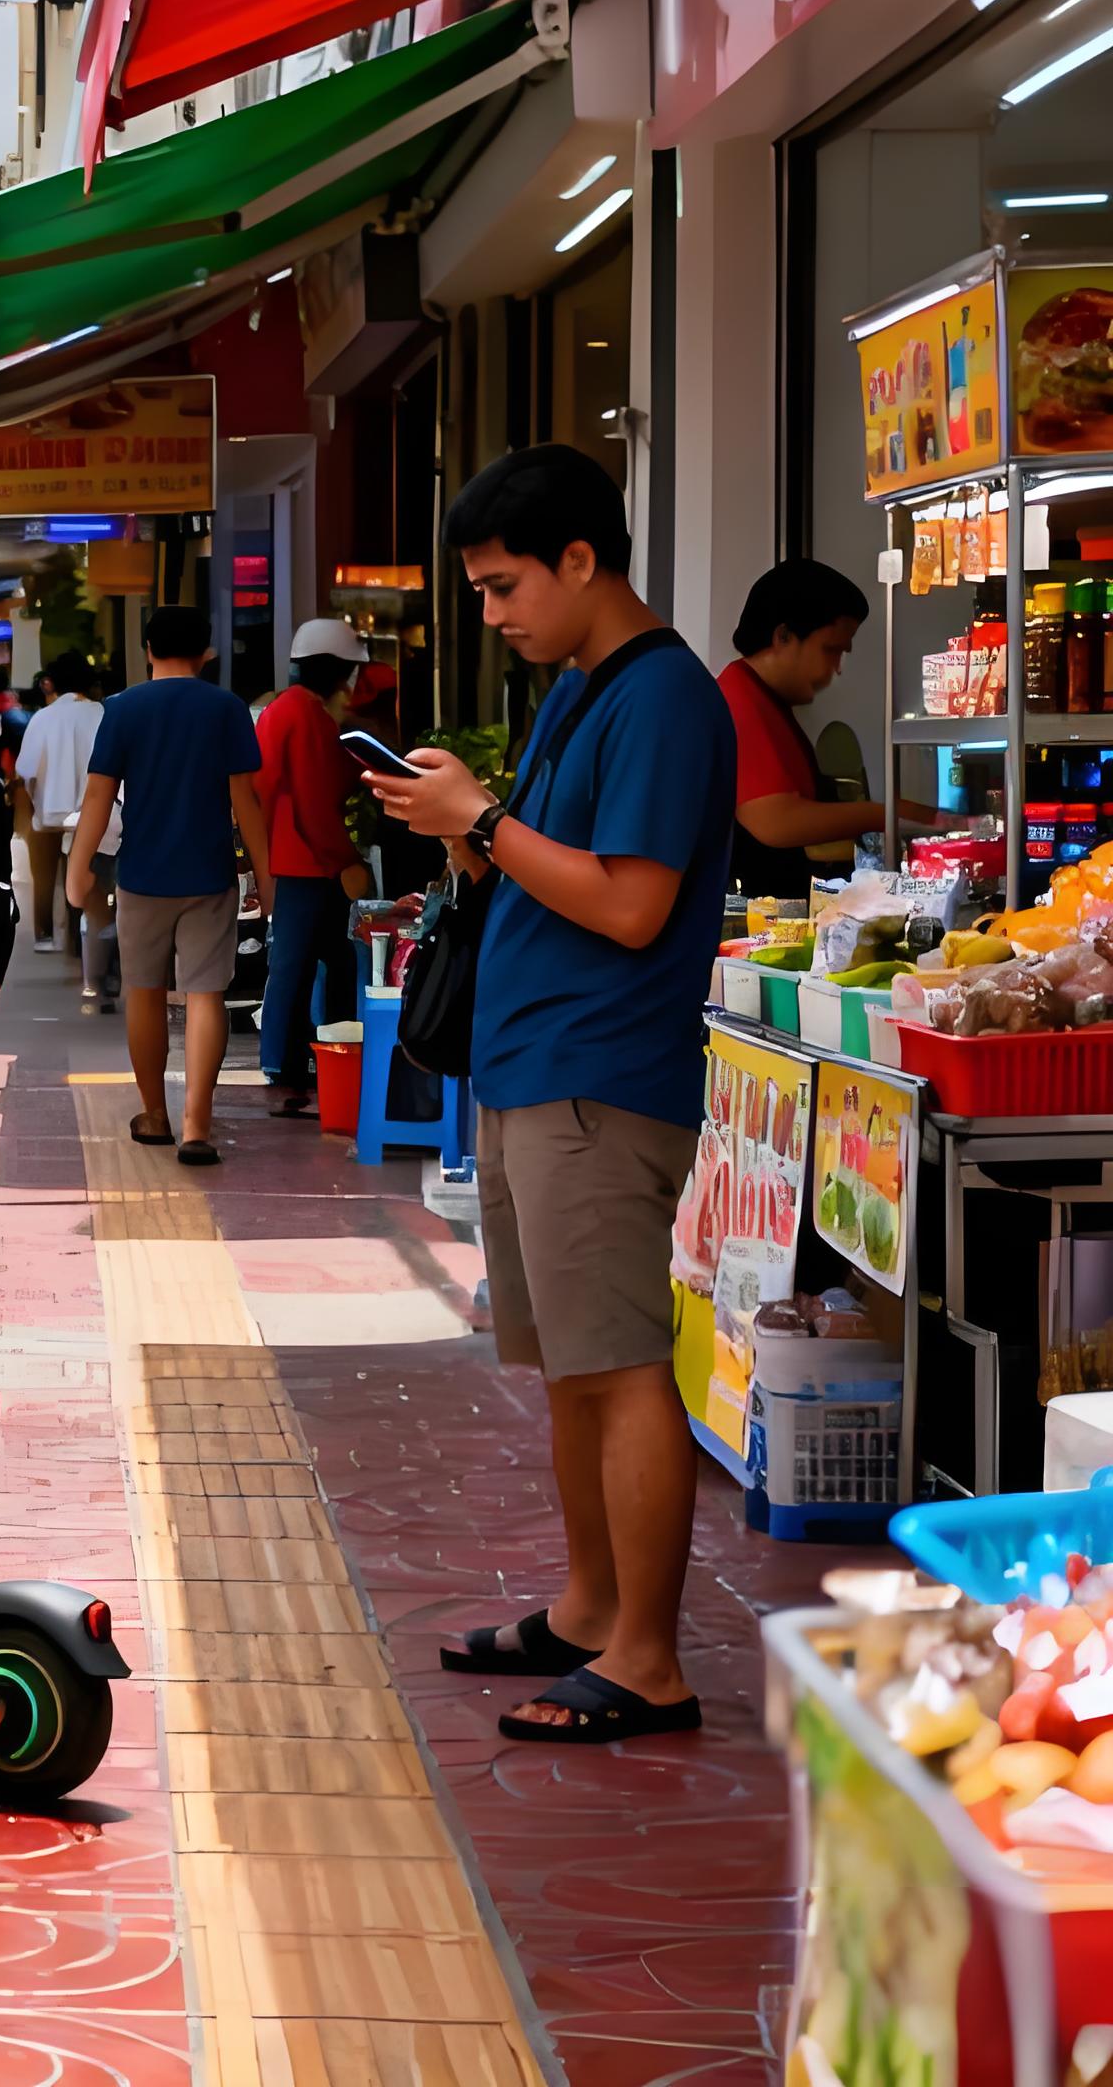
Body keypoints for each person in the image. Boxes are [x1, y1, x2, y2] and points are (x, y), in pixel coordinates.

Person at [364, 443, 733, 1748]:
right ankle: (589, 1609)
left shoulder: (665, 699)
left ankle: (648, 1659)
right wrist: (463, 827)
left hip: (599, 1074)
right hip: (535, 1068)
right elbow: (551, 869)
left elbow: (632, 906)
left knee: (622, 1368)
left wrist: (484, 820)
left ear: (584, 561)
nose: (494, 612)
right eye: (479, 589)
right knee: (573, 1371)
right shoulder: (581, 686)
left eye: (506, 584)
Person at [68, 606, 270, 1163]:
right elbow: (245, 800)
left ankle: (155, 1114)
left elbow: (98, 795)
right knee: (206, 995)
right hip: (209, 874)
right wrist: (267, 875)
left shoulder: (124, 709)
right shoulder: (227, 709)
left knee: (145, 991)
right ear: (207, 652)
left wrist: (77, 866)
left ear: (148, 647)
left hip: (142, 875)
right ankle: (198, 1125)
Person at [722, 558, 922, 899]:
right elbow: (776, 821)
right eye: (831, 650)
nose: (837, 668)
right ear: (783, 636)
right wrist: (885, 816)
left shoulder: (769, 703)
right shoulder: (739, 700)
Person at [254, 618, 368, 1116]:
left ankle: (294, 1057)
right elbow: (315, 800)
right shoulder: (308, 716)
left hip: (294, 855)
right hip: (309, 860)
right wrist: (346, 858)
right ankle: (299, 1057)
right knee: (314, 963)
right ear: (338, 670)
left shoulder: (288, 710)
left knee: (305, 963)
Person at [18, 661, 105, 961]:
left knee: (43, 874)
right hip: (91, 811)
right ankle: (78, 938)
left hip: (49, 813)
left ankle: (44, 934)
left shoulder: (43, 718)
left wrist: (37, 798)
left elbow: (26, 769)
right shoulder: (100, 713)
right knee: (82, 872)